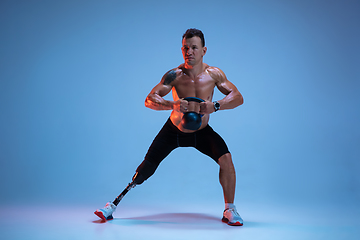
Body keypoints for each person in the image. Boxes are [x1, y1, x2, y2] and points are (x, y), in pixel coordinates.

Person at [95, 28, 244, 226]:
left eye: (193, 47)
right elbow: (149, 100)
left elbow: (238, 97)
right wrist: (171, 104)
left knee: (226, 159)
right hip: (173, 131)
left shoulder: (214, 74)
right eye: (185, 48)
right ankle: (112, 206)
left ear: (204, 50)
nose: (189, 52)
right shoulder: (174, 75)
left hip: (201, 132)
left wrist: (216, 105)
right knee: (146, 168)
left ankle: (229, 210)